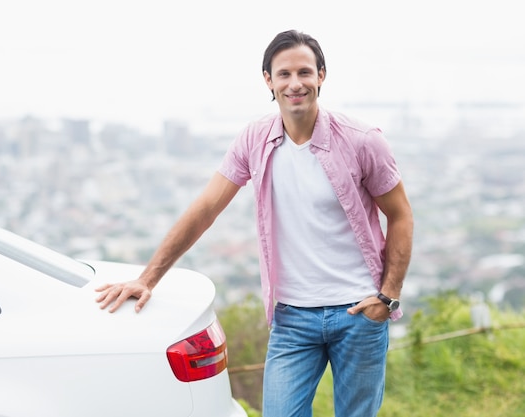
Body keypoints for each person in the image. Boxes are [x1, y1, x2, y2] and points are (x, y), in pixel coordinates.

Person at [96, 29, 414, 417]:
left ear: (321, 76)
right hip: (293, 317)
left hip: (359, 311)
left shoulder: (362, 140)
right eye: (284, 74)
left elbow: (399, 215)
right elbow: (206, 208)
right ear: (268, 80)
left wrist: (388, 296)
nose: (295, 83)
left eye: (304, 72)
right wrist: (147, 279)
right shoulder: (255, 140)